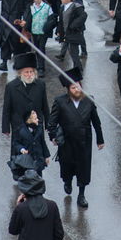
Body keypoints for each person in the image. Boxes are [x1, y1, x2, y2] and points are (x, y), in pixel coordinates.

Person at [48, 74, 104, 206]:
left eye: (78, 87)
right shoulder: (60, 101)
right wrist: (53, 136)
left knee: (83, 168)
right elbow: (52, 122)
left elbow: (96, 122)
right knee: (67, 166)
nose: (77, 90)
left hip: (84, 141)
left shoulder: (89, 101)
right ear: (68, 89)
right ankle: (67, 182)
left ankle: (81, 195)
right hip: (67, 142)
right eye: (73, 88)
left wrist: (100, 140)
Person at [8, 170, 65, 240]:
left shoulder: (21, 208)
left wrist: (18, 206)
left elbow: (13, 230)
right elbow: (59, 234)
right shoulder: (52, 206)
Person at [2, 53, 49, 139]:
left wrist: (48, 125)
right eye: (26, 72)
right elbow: (7, 109)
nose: (29, 74)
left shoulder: (41, 84)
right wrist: (6, 128)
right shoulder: (11, 87)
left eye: (31, 72)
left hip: (36, 124)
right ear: (20, 73)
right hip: (19, 126)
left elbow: (45, 106)